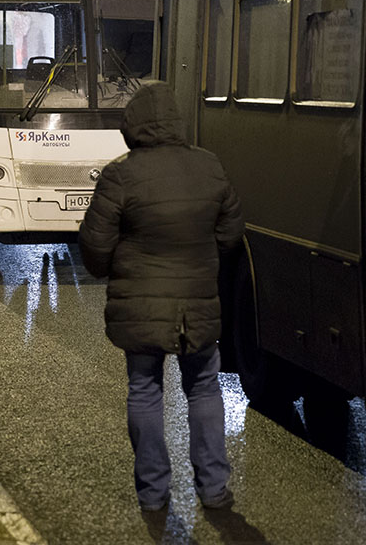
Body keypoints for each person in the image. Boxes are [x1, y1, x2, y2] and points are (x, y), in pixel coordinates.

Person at [78, 82, 244, 513]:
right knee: (205, 388)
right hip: (197, 302)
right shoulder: (210, 167)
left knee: (145, 390)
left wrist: (113, 266)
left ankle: (154, 494)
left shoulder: (120, 174)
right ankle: (214, 490)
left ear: (132, 127)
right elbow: (230, 236)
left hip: (140, 306)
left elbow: (96, 246)